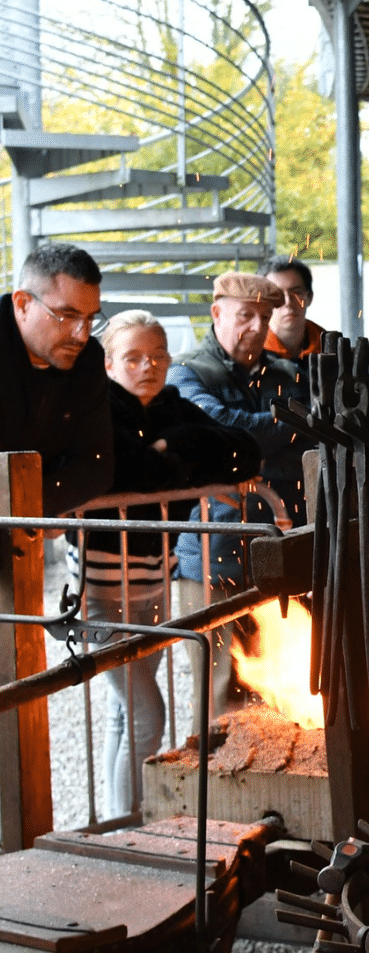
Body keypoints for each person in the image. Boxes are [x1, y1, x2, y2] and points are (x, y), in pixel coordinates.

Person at [68, 310, 260, 818]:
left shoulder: (172, 407)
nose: (147, 366)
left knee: (123, 712)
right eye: (132, 357)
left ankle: (114, 820)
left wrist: (171, 448)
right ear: (108, 363)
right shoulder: (94, 409)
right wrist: (175, 464)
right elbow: (111, 472)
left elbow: (245, 450)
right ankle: (128, 822)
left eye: (156, 355)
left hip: (152, 581)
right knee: (146, 713)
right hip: (98, 591)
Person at [168, 271, 311, 724]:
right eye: (245, 315)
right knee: (215, 698)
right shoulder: (186, 371)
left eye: (264, 317)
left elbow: (306, 443)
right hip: (212, 559)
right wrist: (281, 427)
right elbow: (217, 436)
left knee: (279, 691)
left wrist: (250, 437)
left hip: (276, 558)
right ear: (217, 313)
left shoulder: (287, 372)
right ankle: (212, 788)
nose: (256, 326)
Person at [1, 243, 112, 515]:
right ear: (22, 304)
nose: (81, 335)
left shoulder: (88, 359)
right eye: (67, 316)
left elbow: (97, 465)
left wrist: (37, 504)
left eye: (90, 319)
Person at [259, 254, 326, 368]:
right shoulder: (250, 354)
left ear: (309, 297)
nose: (287, 302)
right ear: (263, 301)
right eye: (276, 294)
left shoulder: (332, 349)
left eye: (296, 292)